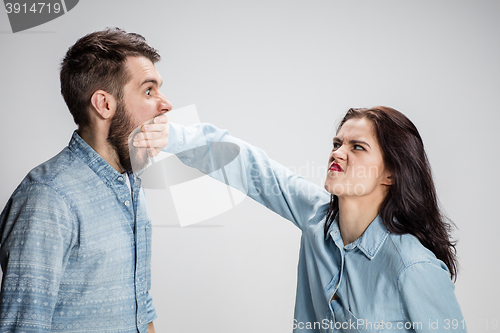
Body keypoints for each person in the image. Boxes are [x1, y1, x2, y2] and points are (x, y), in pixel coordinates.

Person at [144, 106, 466, 332]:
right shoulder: (316, 220)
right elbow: (252, 169)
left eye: (357, 147)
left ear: (391, 173)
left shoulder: (413, 267)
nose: (337, 153)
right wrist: (172, 135)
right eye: (337, 143)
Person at [0, 28, 172, 332]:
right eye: (149, 90)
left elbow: (140, 308)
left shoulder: (129, 181)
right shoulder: (47, 198)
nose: (165, 103)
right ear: (104, 104)